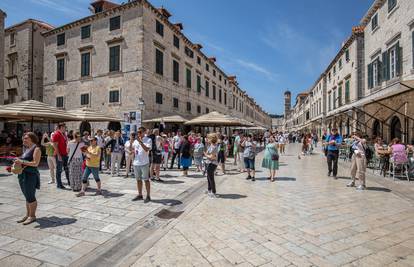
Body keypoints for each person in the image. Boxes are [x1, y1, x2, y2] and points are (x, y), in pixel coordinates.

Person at [14, 132, 41, 225]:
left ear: (32, 139)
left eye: (26, 138)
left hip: (30, 175)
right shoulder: (26, 148)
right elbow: (25, 161)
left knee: (30, 196)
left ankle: (32, 216)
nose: (23, 139)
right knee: (27, 196)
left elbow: (35, 163)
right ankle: (28, 214)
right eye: (23, 138)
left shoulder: (36, 149)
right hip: (23, 174)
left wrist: (21, 161)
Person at [132, 127, 152, 203]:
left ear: (144, 132)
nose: (138, 133)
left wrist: (140, 142)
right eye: (138, 132)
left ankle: (148, 195)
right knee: (138, 179)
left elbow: (147, 149)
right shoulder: (135, 141)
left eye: (140, 132)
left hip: (144, 162)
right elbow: (133, 150)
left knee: (146, 179)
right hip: (136, 163)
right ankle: (140, 194)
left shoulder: (148, 140)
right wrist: (131, 142)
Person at [52, 123, 70, 189]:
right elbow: (55, 145)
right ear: (61, 127)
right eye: (64, 127)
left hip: (65, 154)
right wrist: (58, 155)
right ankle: (59, 184)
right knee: (59, 170)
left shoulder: (64, 134)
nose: (65, 128)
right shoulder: (56, 134)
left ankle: (69, 182)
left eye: (65, 127)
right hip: (60, 155)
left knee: (67, 169)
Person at [205, 133, 219, 197]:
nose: (207, 139)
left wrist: (206, 155)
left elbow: (212, 157)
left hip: (212, 163)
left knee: (211, 178)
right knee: (208, 177)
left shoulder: (214, 147)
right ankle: (209, 190)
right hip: (209, 163)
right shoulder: (211, 145)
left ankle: (213, 192)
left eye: (208, 138)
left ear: (211, 139)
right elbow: (208, 153)